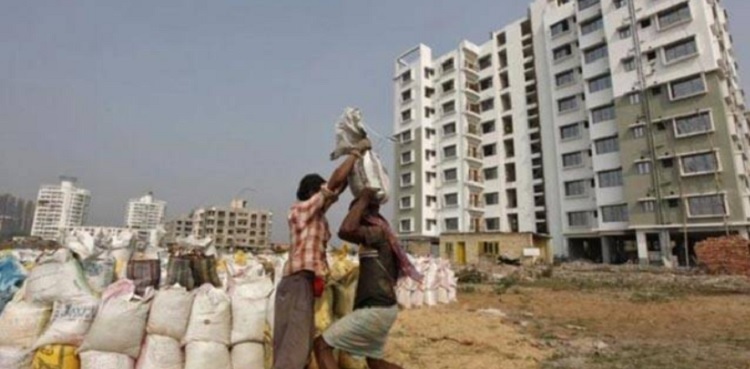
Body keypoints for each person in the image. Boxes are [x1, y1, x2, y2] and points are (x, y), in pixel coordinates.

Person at [273, 138, 370, 369]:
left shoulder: (316, 215)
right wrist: (355, 153)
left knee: (296, 343)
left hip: (303, 283)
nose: (328, 195)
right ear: (311, 192)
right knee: (294, 346)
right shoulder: (300, 210)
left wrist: (355, 169)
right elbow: (333, 184)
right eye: (321, 190)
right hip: (298, 282)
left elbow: (337, 187)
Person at [313, 189, 422, 369]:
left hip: (375, 310)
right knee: (374, 362)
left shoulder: (377, 233)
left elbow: (346, 230)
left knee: (321, 346)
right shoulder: (375, 238)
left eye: (354, 213)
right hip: (383, 308)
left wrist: (362, 199)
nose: (352, 217)